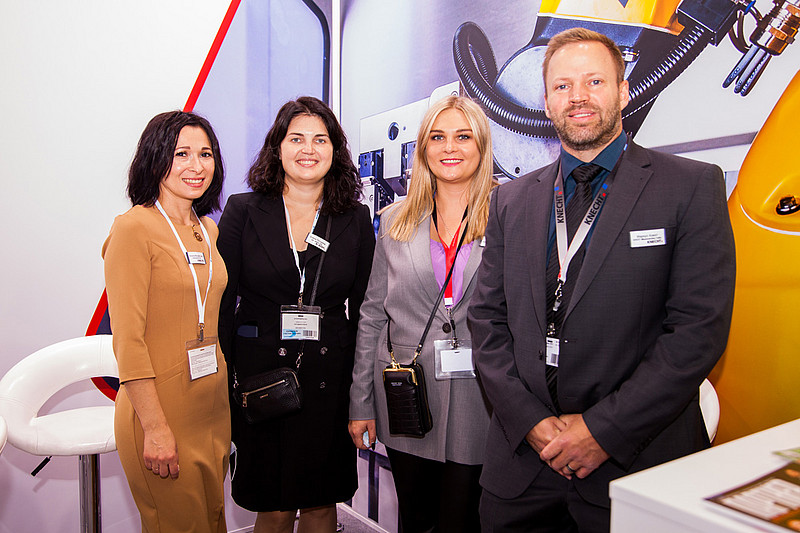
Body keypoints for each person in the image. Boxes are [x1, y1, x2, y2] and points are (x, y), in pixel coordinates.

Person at [467, 27, 736, 532]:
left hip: (637, 464)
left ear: (624, 91)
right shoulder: (510, 200)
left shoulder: (690, 186)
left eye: (594, 81)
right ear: (547, 102)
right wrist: (531, 423)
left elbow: (697, 331)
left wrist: (602, 431)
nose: (578, 97)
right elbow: (487, 320)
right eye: (563, 86)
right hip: (524, 469)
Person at [217, 96, 374, 533]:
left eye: (320, 140)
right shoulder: (243, 210)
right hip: (260, 378)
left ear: (335, 150)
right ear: (278, 147)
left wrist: (362, 393)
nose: (308, 149)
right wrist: (222, 387)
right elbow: (221, 305)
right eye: (296, 138)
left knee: (322, 502)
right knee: (273, 506)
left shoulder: (355, 217)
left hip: (329, 379)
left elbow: (366, 310)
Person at [349, 95, 495, 533]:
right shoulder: (395, 221)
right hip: (408, 398)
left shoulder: (509, 214)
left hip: (482, 399)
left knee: (465, 521)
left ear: (481, 144)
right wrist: (360, 401)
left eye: (463, 136)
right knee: (416, 520)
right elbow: (372, 315)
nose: (450, 147)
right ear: (424, 148)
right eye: (438, 137)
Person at [103, 111, 229, 532]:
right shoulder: (133, 229)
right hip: (160, 409)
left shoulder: (207, 230)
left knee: (212, 521)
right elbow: (128, 341)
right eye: (182, 154)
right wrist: (155, 427)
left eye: (206, 154)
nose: (197, 166)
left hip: (210, 404)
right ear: (155, 158)